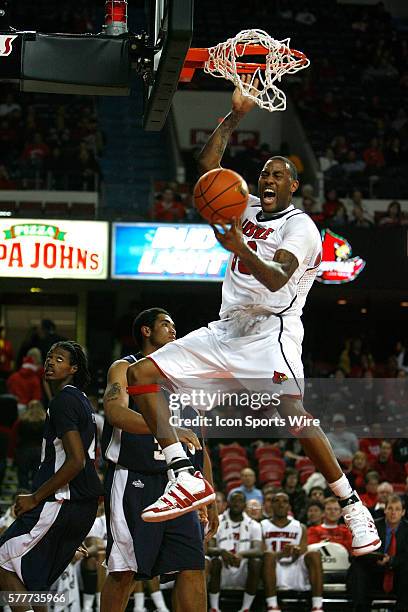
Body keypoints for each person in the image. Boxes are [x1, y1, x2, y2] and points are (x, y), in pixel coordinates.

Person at [126, 76, 381, 557]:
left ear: (294, 185)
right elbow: (207, 167)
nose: (267, 179)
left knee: (293, 415)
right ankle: (183, 475)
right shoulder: (241, 206)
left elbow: (278, 279)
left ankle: (352, 507)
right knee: (142, 374)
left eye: (278, 175)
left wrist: (241, 246)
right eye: (264, 173)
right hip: (227, 328)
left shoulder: (300, 225)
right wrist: (236, 114)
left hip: (271, 332)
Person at [101, 307, 217, 612]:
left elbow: (200, 444)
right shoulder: (124, 367)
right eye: (166, 324)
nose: (173, 330)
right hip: (134, 478)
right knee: (124, 570)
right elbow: (115, 412)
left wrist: (210, 499)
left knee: (192, 566)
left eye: (175, 325)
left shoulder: (185, 379)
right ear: (146, 331)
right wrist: (171, 430)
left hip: (180, 486)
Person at [0, 341, 102, 611]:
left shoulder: (64, 400)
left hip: (62, 501)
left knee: (2, 557)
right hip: (77, 505)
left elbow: (76, 461)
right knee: (36, 582)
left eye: (59, 359)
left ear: (73, 368)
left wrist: (35, 497)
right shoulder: (81, 401)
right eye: (48, 358)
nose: (50, 362)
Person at [262, 492, 323, 612]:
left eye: (284, 501)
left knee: (314, 554)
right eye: (277, 501)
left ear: (289, 506)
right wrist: (281, 554)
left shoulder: (300, 526)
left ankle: (317, 606)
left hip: (295, 566)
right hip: (273, 566)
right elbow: (261, 552)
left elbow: (303, 550)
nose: (281, 504)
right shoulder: (262, 525)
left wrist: (296, 552)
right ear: (271, 505)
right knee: (268, 556)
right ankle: (272, 606)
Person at [348, 495, 408, 612]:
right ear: (384, 510)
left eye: (397, 509)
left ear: (403, 512)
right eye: (390, 508)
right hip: (374, 572)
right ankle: (361, 608)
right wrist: (374, 558)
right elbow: (355, 552)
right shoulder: (371, 527)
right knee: (357, 566)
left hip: (398, 576)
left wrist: (391, 561)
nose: (393, 513)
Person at [207, 490, 263, 612]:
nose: (237, 503)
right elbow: (208, 548)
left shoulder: (254, 525)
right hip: (222, 567)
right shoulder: (217, 521)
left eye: (240, 501)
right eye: (234, 500)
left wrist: (241, 554)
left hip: (243, 568)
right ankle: (214, 608)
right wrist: (222, 551)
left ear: (244, 505)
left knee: (256, 562)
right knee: (215, 561)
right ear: (228, 503)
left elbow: (258, 550)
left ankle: (245, 608)